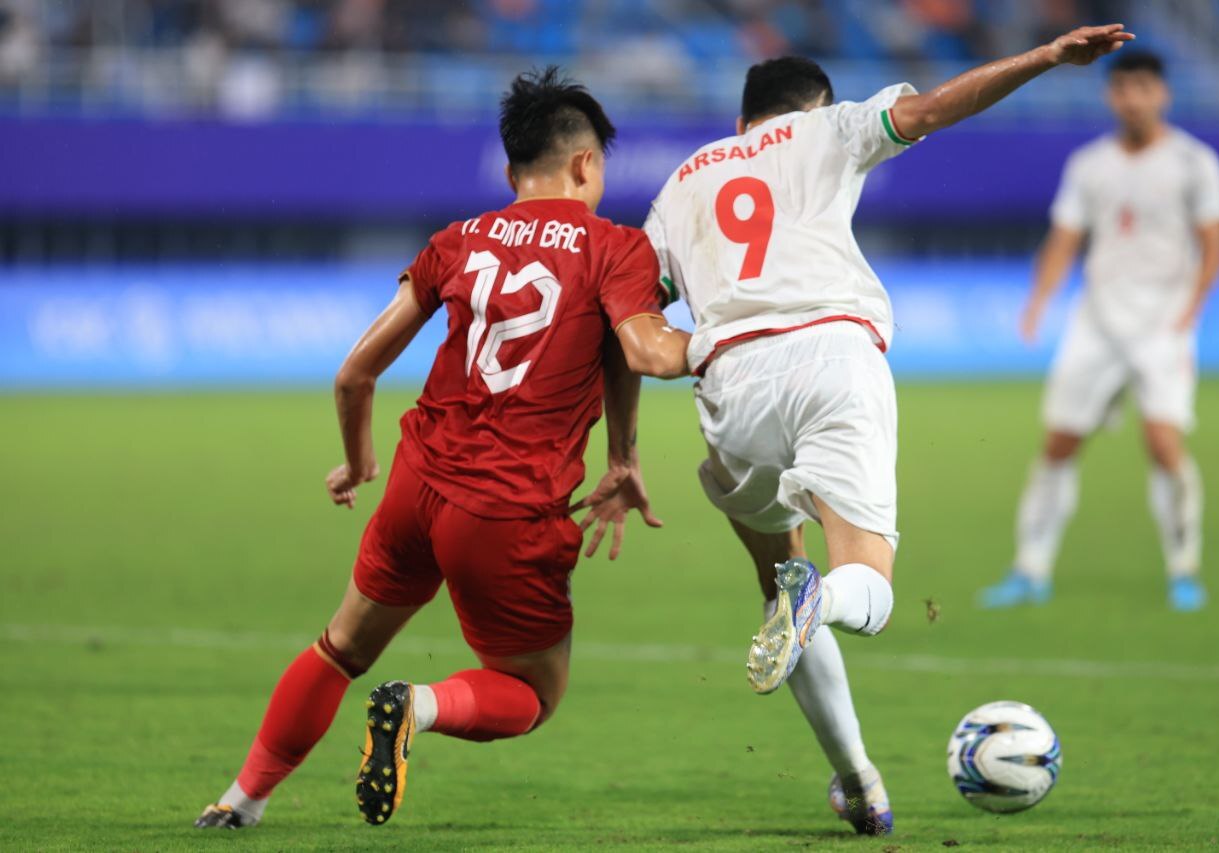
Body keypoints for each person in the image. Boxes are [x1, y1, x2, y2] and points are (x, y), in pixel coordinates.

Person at [643, 26, 1134, 835]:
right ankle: (824, 598)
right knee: (863, 585)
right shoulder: (829, 128)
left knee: (778, 579)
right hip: (832, 357)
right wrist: (1047, 57)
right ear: (815, 105)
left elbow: (632, 313)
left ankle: (859, 781)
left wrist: (623, 446)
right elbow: (935, 108)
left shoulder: (682, 183)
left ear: (741, 123)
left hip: (728, 382)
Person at [194, 66, 690, 830]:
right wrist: (745, 339)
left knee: (340, 645)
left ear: (511, 172)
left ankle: (240, 799)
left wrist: (359, 460)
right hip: (506, 508)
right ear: (587, 164)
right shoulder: (617, 248)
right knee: (533, 692)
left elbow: (354, 374)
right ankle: (418, 705)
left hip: (415, 486)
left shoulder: (458, 240)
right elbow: (646, 352)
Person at [980, 50, 1219, 612]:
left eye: (1142, 87)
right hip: (1096, 322)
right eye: (1121, 88)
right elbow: (1065, 238)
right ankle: (1030, 568)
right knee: (1059, 444)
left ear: (1162, 93)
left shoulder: (1195, 162)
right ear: (1109, 96)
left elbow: (1213, 243)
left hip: (1162, 324)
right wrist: (1039, 299)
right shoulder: (1090, 164)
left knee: (1163, 443)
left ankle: (1184, 567)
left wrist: (1192, 308)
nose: (1131, 99)